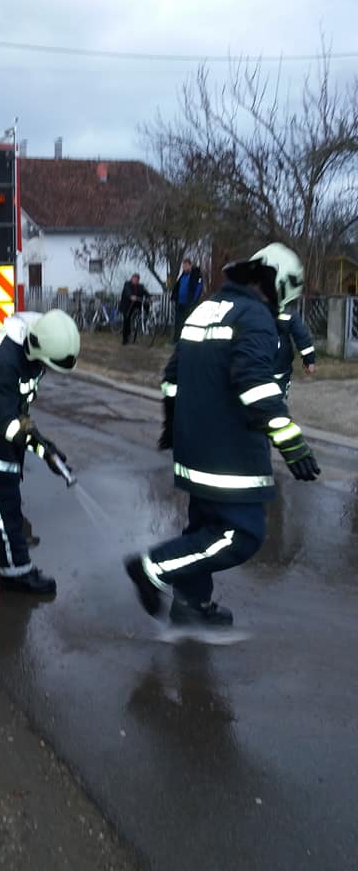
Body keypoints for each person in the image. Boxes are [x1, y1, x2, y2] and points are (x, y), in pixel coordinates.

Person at [124, 242, 320, 629]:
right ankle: (153, 567)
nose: (283, 307)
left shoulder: (205, 308)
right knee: (242, 534)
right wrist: (292, 443)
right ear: (274, 283)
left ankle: (192, 604)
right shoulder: (255, 317)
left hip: (194, 446)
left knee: (204, 528)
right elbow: (256, 388)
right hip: (228, 452)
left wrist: (172, 426)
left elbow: (171, 379)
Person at [0, 309, 80, 595]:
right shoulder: (3, 360)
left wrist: (45, 448)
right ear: (35, 347)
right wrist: (43, 450)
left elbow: (19, 410)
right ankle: (16, 571)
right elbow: (7, 425)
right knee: (5, 501)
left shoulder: (35, 348)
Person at [275, 305, 316, 397]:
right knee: (278, 399)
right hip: (280, 367)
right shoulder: (288, 312)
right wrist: (309, 361)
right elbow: (302, 337)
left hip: (256, 367)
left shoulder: (251, 308)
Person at [170, 258, 203, 342]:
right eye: (183, 266)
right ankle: (176, 339)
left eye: (185, 266)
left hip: (189, 303)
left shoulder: (196, 275)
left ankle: (186, 340)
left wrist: (193, 300)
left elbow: (199, 288)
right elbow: (178, 287)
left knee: (187, 321)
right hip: (179, 302)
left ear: (190, 266)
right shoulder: (182, 276)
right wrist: (174, 297)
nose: (184, 267)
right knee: (178, 321)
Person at [120, 273, 149, 345]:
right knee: (126, 320)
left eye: (137, 279)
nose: (136, 280)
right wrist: (131, 296)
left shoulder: (140, 286)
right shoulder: (127, 284)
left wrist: (150, 296)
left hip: (136, 303)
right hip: (127, 305)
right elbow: (127, 291)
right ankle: (125, 339)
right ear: (132, 278)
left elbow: (145, 292)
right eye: (134, 279)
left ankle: (146, 318)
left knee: (146, 304)